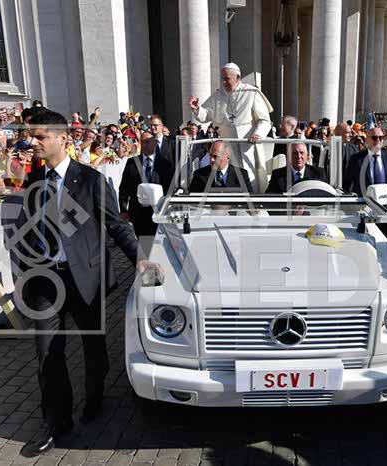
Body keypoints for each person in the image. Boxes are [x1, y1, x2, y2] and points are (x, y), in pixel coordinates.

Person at [14, 110, 162, 456]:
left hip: (85, 280)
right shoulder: (33, 181)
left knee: (93, 348)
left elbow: (117, 225)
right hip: (45, 283)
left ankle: (95, 396)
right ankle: (57, 423)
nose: (32, 142)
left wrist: (140, 259)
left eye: (39, 136)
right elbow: (25, 229)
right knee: (47, 353)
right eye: (30, 136)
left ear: (63, 139)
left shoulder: (91, 180)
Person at [188, 63, 273, 191]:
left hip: (247, 144)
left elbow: (265, 120)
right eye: (222, 78)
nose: (224, 82)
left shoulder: (251, 92)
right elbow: (206, 115)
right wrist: (197, 109)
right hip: (227, 144)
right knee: (228, 176)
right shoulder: (218, 95)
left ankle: (251, 201)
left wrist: (258, 134)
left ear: (238, 77)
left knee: (250, 176)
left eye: (227, 78)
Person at [344, 127, 387, 229]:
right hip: (363, 210)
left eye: (381, 138)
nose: (378, 140)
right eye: (374, 138)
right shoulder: (356, 159)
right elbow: (346, 184)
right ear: (366, 139)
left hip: (385, 210)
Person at [118, 132, 174, 237]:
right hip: (137, 212)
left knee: (156, 241)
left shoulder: (165, 164)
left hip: (158, 211)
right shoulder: (132, 163)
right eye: (142, 142)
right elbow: (124, 188)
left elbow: (169, 188)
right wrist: (123, 210)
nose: (145, 145)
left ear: (155, 143)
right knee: (143, 242)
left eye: (148, 142)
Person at [188, 141, 253, 193]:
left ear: (227, 158)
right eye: (210, 156)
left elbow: (249, 198)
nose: (211, 160)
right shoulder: (199, 175)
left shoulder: (241, 174)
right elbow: (192, 199)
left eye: (215, 157)